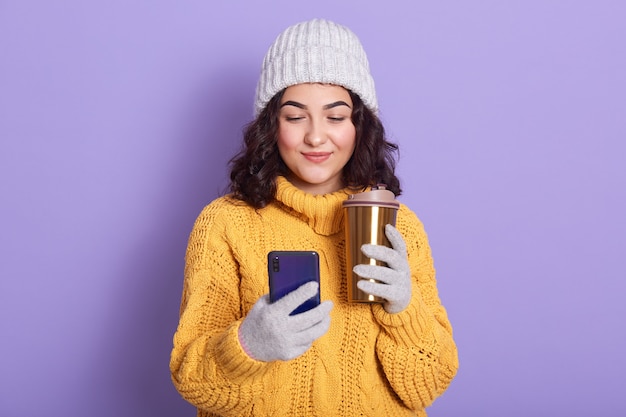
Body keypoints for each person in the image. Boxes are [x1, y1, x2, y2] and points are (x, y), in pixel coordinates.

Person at [170, 18, 458, 417]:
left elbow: (427, 385)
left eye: (336, 117)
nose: (316, 136)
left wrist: (403, 309)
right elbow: (193, 381)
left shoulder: (399, 225)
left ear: (360, 126)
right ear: (272, 125)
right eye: (295, 116)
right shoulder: (225, 224)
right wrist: (249, 345)